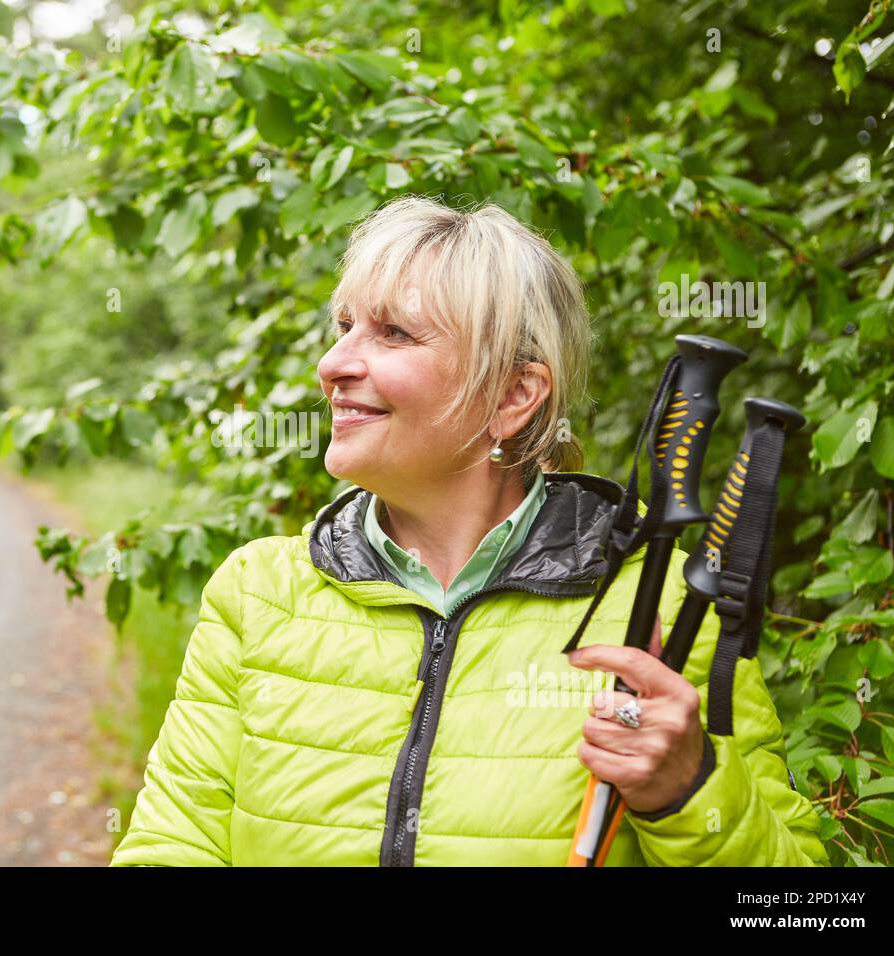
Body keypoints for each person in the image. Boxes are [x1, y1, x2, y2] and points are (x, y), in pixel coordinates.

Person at [109, 195, 828, 866]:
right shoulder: (259, 593)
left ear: (514, 396)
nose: (333, 365)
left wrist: (689, 788)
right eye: (344, 327)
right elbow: (173, 844)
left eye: (393, 333)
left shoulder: (663, 610)